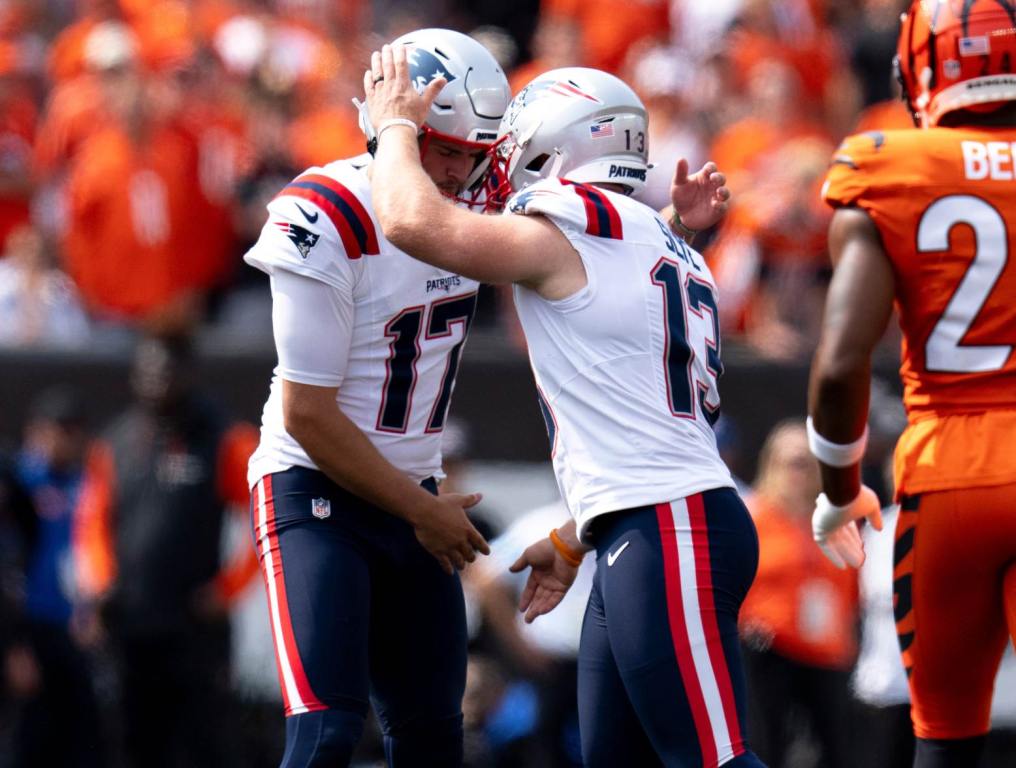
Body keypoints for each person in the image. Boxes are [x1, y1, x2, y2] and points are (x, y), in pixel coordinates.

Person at [364, 46, 763, 767]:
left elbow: (412, 223)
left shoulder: (573, 227)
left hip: (668, 523)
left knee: (714, 761)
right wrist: (581, 531)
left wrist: (393, 126)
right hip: (649, 520)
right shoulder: (660, 238)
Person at [241, 29, 507, 768]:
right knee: (327, 731)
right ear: (391, 127)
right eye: (440, 148)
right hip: (316, 488)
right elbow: (309, 414)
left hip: (414, 495)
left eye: (471, 153)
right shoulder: (326, 210)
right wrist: (421, 507)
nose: (457, 172)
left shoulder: (480, 208)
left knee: (432, 737)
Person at [807, 3, 1016, 767]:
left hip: (946, 477)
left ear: (918, 67)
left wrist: (839, 491)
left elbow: (838, 365)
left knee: (944, 738)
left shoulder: (886, 163)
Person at [73, 333, 259, 768]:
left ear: (189, 373)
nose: (156, 380)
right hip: (131, 624)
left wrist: (229, 589)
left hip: (196, 626)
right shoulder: (115, 441)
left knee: (205, 744)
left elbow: (264, 520)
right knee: (133, 744)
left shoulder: (224, 438)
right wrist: (100, 586)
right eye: (147, 371)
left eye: (167, 371)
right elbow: (93, 523)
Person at [737, 420, 858, 768]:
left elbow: (849, 586)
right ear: (771, 463)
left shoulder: (834, 520)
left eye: (807, 462)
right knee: (767, 744)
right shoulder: (752, 515)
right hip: (770, 649)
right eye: (791, 462)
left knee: (835, 748)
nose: (799, 472)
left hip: (825, 650)